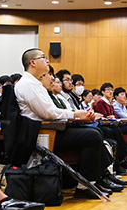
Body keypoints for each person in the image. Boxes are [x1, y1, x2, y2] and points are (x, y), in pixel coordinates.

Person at [15, 49, 113, 199]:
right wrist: (75, 114)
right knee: (92, 135)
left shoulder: (35, 83)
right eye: (43, 58)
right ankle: (84, 186)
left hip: (53, 129)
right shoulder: (27, 84)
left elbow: (51, 111)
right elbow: (48, 112)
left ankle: (95, 180)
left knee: (97, 132)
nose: (47, 61)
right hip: (43, 135)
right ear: (32, 63)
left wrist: (79, 116)